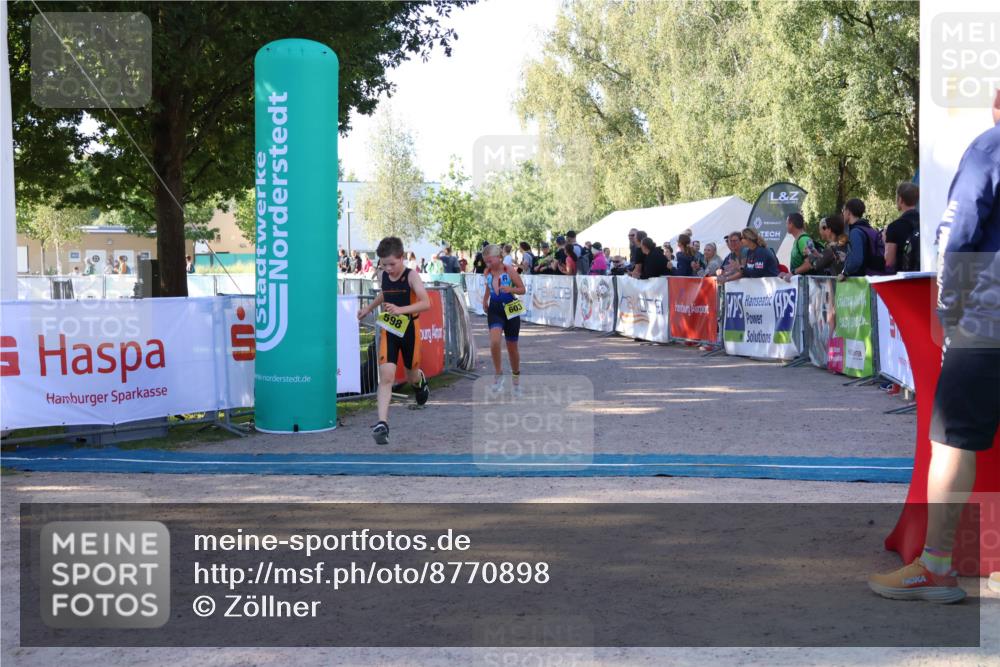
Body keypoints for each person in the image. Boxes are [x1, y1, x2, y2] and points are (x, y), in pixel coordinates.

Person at [868, 93, 1000, 604]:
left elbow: (957, 231)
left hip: (987, 317)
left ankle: (938, 568)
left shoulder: (990, 147)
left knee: (951, 442)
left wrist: (946, 310)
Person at [356, 236, 432, 446]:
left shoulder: (411, 276)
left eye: (392, 264)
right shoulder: (383, 275)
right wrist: (368, 309)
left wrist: (401, 310)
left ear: (402, 258)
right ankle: (382, 423)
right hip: (390, 330)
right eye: (384, 264)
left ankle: (420, 382)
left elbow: (426, 303)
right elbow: (385, 293)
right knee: (386, 376)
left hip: (410, 330)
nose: (388, 269)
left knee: (411, 375)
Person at [482, 243, 527, 396]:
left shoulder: (509, 270)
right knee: (494, 342)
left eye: (490, 260)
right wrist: (485, 300)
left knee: (512, 347)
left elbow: (523, 289)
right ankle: (498, 374)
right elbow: (488, 287)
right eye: (486, 261)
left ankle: (516, 380)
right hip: (495, 310)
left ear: (499, 257)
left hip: (511, 309)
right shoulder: (487, 272)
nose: (488, 264)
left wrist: (510, 289)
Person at [841, 198, 886, 278]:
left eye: (843, 210)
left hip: (862, 282)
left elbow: (856, 260)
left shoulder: (855, 232)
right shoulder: (869, 229)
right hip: (873, 277)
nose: (843, 213)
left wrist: (845, 272)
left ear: (849, 212)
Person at [885, 182, 921, 273]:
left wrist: (884, 240)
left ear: (900, 200)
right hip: (925, 277)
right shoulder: (924, 222)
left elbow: (889, 261)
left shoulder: (894, 227)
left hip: (904, 280)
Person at [786, 212, 817, 276]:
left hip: (806, 283)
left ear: (791, 224)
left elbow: (809, 264)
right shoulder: (798, 240)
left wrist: (792, 273)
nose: (786, 225)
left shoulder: (803, 240)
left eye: (787, 223)